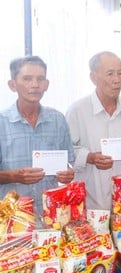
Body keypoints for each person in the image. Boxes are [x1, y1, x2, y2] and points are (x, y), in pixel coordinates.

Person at [65, 51, 121, 210]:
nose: (117, 80)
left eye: (120, 73)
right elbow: (66, 151)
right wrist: (89, 157)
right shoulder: (77, 110)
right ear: (93, 77)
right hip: (90, 197)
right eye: (110, 74)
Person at [0, 56, 75, 223]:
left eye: (40, 79)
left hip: (51, 217)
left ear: (46, 85)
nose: (35, 85)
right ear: (12, 85)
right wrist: (14, 176)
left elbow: (69, 162)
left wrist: (68, 173)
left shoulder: (57, 119)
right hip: (12, 220)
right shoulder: (1, 122)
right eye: (27, 79)